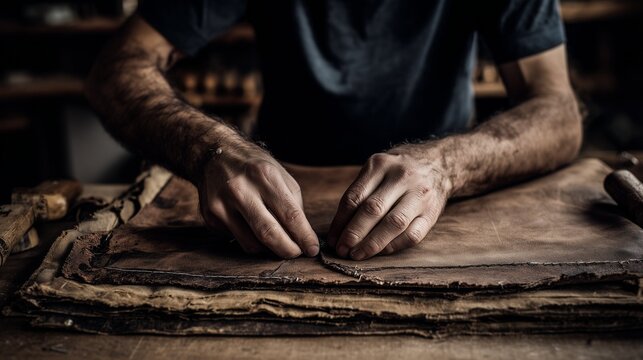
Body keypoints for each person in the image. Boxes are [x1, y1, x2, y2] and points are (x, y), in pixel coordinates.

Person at [85, 0, 581, 261]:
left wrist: (446, 167)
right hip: (276, 203)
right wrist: (210, 149)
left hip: (445, 204)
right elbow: (118, 69)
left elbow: (557, 113)